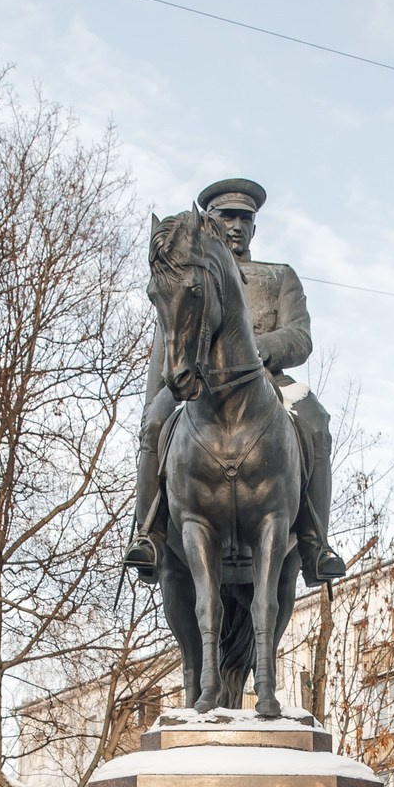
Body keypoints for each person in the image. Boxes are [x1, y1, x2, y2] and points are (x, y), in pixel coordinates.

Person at [127, 178, 345, 586]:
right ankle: (149, 534)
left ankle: (315, 544)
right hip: (197, 382)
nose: (236, 226)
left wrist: (257, 348)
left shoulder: (279, 277)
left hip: (266, 382)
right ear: (209, 222)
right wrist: (158, 397)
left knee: (316, 422)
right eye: (226, 217)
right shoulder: (187, 272)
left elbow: (300, 337)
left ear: (254, 227)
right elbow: (168, 339)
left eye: (244, 219)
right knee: (154, 423)